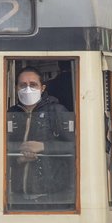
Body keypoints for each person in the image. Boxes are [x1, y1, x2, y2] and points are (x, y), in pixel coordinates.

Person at [6, 66, 73, 208]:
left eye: (33, 85)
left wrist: (44, 147)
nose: (27, 89)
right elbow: (1, 149)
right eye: (23, 85)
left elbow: (76, 146)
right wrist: (17, 159)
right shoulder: (10, 114)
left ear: (42, 88)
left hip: (53, 198)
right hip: (18, 198)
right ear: (16, 88)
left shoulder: (57, 111)